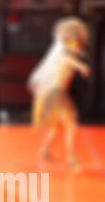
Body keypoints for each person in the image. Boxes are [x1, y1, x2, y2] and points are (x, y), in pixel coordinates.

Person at [28, 17, 91, 171]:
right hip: (56, 93)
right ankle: (71, 159)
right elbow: (68, 61)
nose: (78, 45)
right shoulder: (63, 55)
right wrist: (81, 67)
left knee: (56, 127)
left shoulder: (67, 53)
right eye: (75, 41)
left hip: (54, 93)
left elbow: (72, 57)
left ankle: (44, 151)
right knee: (71, 124)